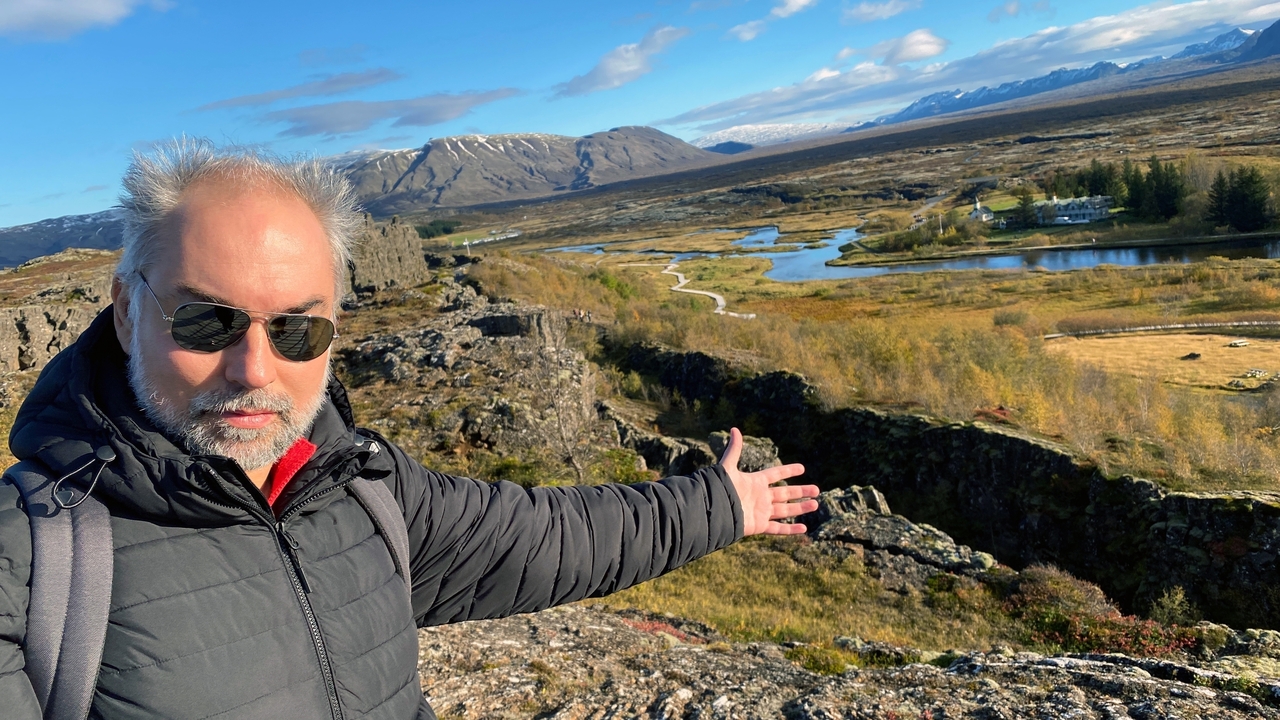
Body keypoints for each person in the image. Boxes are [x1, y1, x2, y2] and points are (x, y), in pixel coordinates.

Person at [0, 141, 817, 719]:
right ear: (124, 305)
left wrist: (720, 507)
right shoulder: (32, 566)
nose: (253, 370)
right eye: (206, 321)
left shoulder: (361, 492)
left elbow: (545, 537)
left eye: (297, 330)